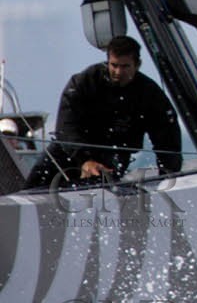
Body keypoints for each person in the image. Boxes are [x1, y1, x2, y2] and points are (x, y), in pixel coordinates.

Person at [23, 35, 182, 189]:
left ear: (137, 65)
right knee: (34, 184)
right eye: (114, 65)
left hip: (112, 154)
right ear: (108, 62)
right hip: (70, 149)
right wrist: (84, 160)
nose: (119, 72)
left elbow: (168, 140)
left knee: (101, 184)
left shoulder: (150, 94)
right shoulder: (84, 82)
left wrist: (168, 178)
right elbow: (66, 126)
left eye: (125, 66)